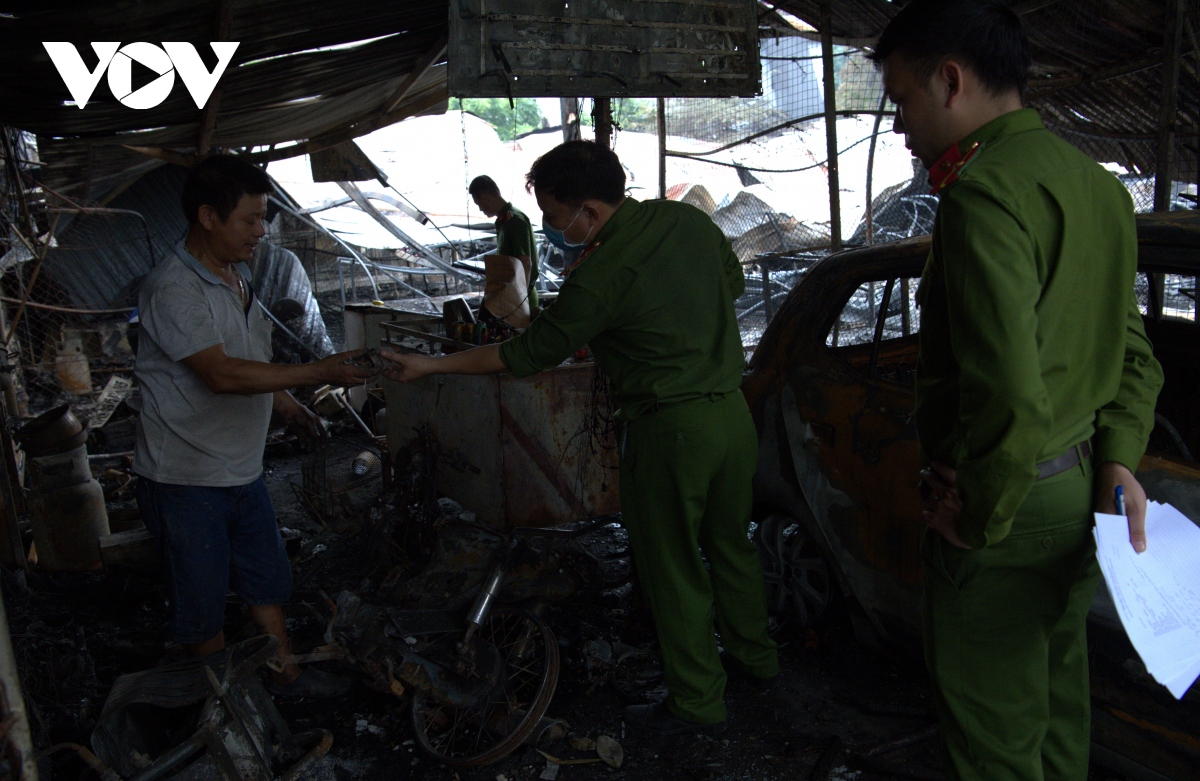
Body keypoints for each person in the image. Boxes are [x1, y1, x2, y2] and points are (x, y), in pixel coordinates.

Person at [384, 142, 778, 735]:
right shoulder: (689, 221)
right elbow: (734, 283)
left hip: (669, 430)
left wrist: (429, 367)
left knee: (672, 569)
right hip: (731, 415)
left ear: (589, 212)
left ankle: (697, 702)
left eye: (552, 214)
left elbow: (528, 354)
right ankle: (757, 660)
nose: (548, 226)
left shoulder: (599, 274)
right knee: (731, 548)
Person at [871, 2, 1164, 778]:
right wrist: (1119, 459)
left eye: (902, 99)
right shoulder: (1096, 185)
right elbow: (1134, 353)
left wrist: (982, 519)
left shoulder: (980, 195)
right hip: (1079, 498)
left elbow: (1007, 390)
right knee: (1058, 709)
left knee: (994, 740)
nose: (900, 124)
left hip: (1003, 505)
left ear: (952, 80)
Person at [134, 154, 377, 697]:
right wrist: (321, 369)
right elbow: (220, 373)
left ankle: (285, 678)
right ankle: (229, 710)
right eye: (249, 219)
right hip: (185, 478)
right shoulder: (173, 287)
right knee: (201, 606)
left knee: (265, 582)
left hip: (241, 472)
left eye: (263, 217)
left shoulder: (238, 279)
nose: (260, 231)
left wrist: (290, 404)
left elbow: (250, 359)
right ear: (207, 217)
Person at [469, 174, 540, 309]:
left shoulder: (515, 220)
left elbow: (525, 262)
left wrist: (520, 300)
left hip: (521, 299)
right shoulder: (503, 221)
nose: (480, 209)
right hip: (511, 296)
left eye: (478, 204)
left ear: (485, 198)